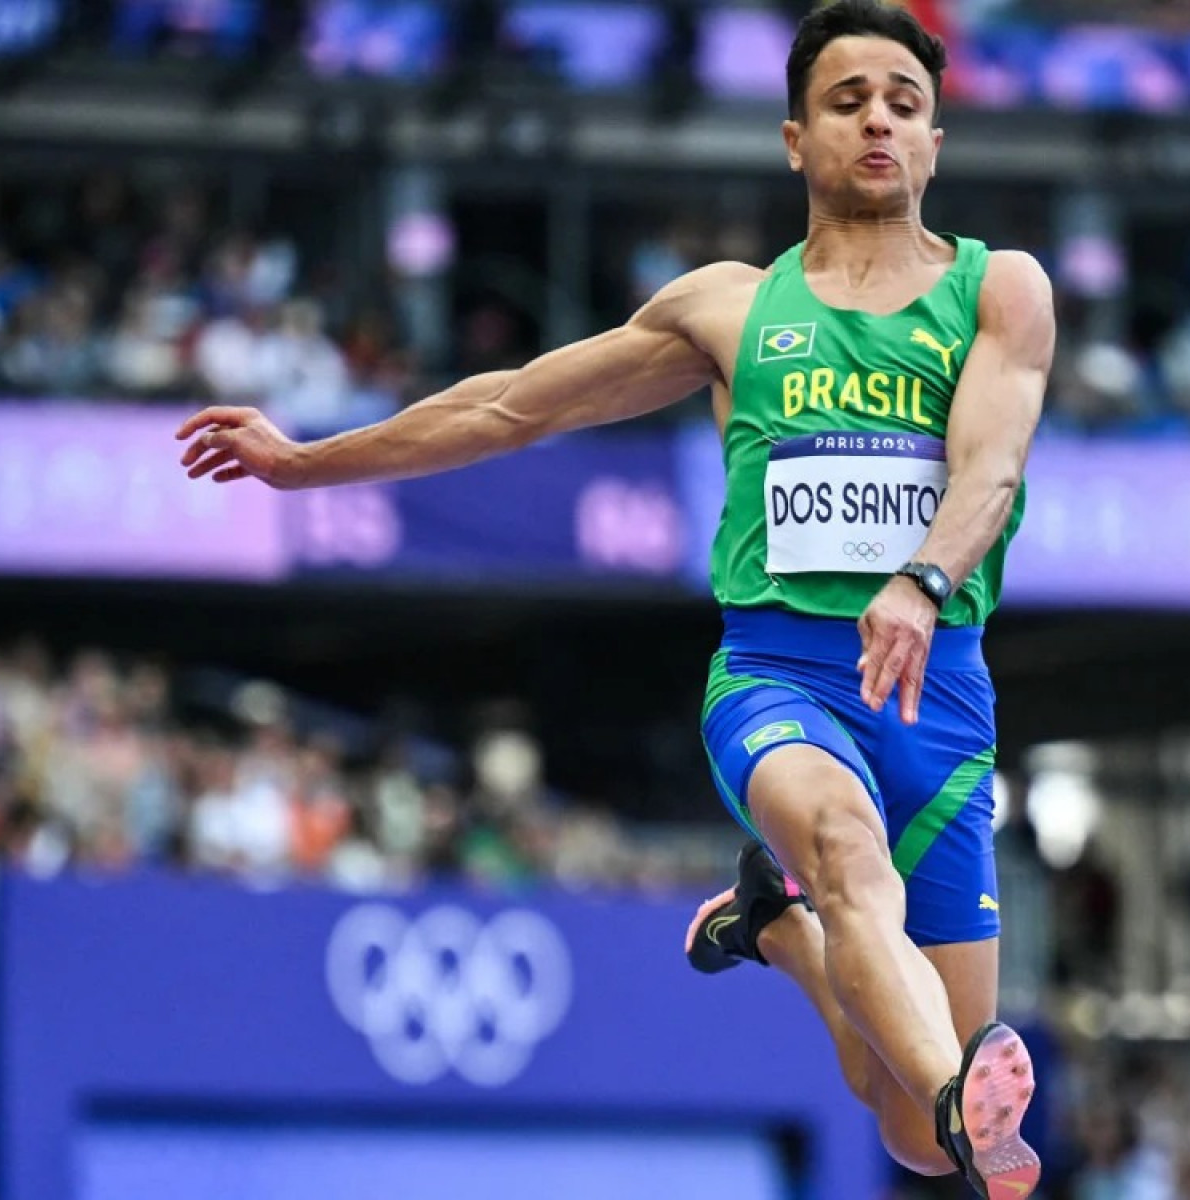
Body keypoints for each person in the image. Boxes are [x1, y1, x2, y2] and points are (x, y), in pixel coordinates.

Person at [174, 1, 1053, 1193]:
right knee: (855, 866)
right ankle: (962, 1101)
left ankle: (784, 939)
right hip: (782, 677)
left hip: (939, 691)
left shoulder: (1000, 292)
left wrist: (922, 580)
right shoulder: (732, 309)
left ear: (938, 141)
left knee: (901, 1133)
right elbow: (509, 407)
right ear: (796, 139)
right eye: (849, 101)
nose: (880, 121)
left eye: (905, 101)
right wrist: (307, 459)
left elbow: (991, 466)